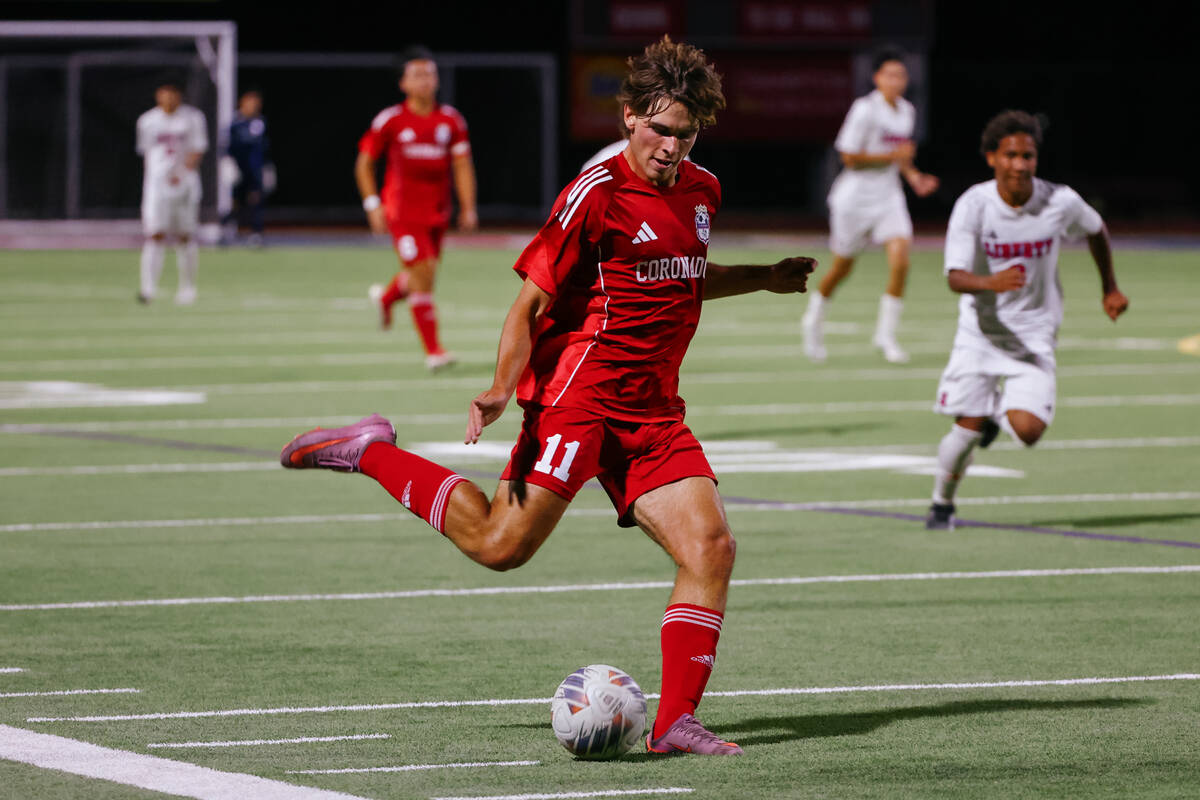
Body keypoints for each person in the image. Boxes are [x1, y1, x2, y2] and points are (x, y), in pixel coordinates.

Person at [281, 36, 817, 755]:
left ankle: (674, 723)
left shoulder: (701, 190)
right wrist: (502, 388)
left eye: (685, 134)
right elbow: (529, 305)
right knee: (501, 547)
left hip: (655, 412)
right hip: (578, 400)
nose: (671, 146)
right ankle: (370, 454)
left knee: (712, 547)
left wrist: (764, 276)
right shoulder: (594, 194)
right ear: (628, 117)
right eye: (659, 128)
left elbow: (682, 270)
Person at [925, 110, 1128, 530]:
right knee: (965, 432)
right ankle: (941, 503)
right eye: (1011, 155)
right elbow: (955, 278)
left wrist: (1109, 286)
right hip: (979, 335)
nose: (1020, 164)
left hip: (1034, 334)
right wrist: (991, 281)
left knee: (1030, 431)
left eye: (1028, 156)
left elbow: (1096, 230)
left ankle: (996, 416)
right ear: (992, 158)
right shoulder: (974, 205)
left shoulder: (1059, 200)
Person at [801, 49, 939, 364]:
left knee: (901, 261)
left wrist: (915, 177)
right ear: (877, 78)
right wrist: (891, 157)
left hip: (889, 196)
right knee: (841, 268)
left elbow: (903, 158)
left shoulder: (907, 111)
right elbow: (848, 156)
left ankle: (886, 335)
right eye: (890, 75)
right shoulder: (864, 109)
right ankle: (814, 318)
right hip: (854, 198)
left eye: (901, 76)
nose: (896, 81)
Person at [357, 46, 478, 371]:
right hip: (402, 212)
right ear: (403, 83)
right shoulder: (391, 120)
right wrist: (373, 204)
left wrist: (468, 207)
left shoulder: (450, 120)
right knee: (423, 275)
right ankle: (434, 351)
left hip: (437, 212)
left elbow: (463, 165)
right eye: (418, 75)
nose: (426, 80)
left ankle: (385, 298)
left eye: (430, 73)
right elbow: (365, 164)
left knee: (422, 274)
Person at [136, 80, 207, 305]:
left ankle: (187, 288)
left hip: (185, 185)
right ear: (158, 95)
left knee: (185, 236)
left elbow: (197, 149)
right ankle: (148, 289)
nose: (169, 98)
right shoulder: (147, 121)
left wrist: (182, 173)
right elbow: (147, 154)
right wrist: (155, 180)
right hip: (157, 187)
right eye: (165, 93)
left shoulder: (193, 118)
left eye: (173, 93)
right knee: (155, 234)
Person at [223, 89, 274, 246]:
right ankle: (225, 230)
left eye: (256, 103)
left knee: (255, 200)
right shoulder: (234, 122)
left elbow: (264, 146)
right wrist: (227, 162)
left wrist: (267, 167)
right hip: (238, 168)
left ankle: (256, 233)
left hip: (255, 169)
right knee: (234, 201)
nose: (254, 106)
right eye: (250, 102)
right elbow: (227, 145)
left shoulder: (260, 122)